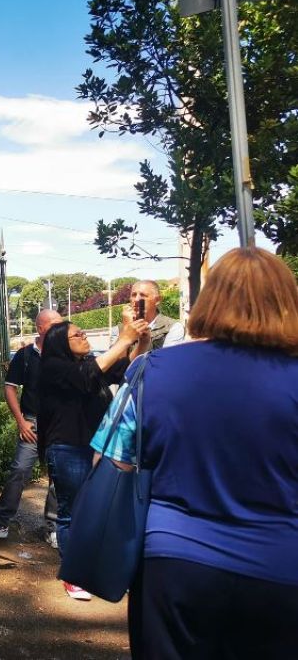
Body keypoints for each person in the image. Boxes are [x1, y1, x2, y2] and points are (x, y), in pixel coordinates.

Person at [91, 248, 298, 658]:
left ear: (211, 300)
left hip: (174, 563)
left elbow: (108, 461)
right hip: (281, 568)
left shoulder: (151, 370)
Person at [38, 314, 147, 600]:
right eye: (78, 335)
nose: (84, 337)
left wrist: (141, 339)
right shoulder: (51, 366)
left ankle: (97, 568)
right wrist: (123, 338)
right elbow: (85, 379)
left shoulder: (88, 362)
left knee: (101, 508)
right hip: (67, 448)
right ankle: (73, 573)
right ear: (60, 342)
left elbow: (125, 370)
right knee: (71, 511)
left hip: (96, 447)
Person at [0, 310, 62, 542]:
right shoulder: (24, 355)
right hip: (32, 424)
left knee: (57, 477)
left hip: (61, 425)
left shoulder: (68, 354)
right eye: (56, 324)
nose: (61, 328)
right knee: (19, 471)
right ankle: (0, 522)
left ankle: (53, 528)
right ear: (41, 328)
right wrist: (20, 421)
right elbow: (10, 387)